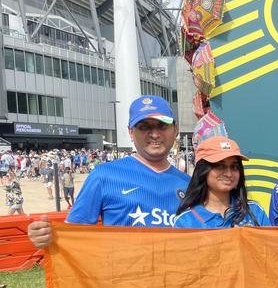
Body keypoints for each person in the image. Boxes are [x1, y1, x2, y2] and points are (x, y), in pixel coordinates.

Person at [28, 95, 191, 248]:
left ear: (175, 129)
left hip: (176, 276)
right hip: (124, 277)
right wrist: (48, 237)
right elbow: (76, 234)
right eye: (144, 127)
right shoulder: (104, 175)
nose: (155, 134)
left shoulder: (189, 184)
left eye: (162, 126)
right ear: (130, 132)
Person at [174, 136, 269, 228]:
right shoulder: (185, 221)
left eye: (234, 167)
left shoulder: (255, 212)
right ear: (203, 170)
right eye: (219, 166)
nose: (229, 174)